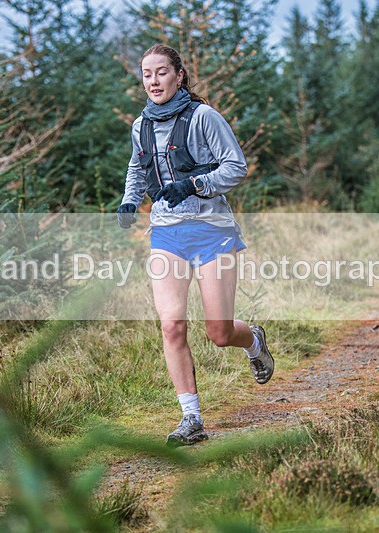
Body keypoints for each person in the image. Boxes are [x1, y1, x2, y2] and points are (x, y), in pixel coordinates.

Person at [116, 43, 274, 447]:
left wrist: (195, 184)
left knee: (219, 333)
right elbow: (138, 166)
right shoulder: (141, 126)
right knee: (171, 326)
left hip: (211, 231)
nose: (153, 81)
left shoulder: (204, 117)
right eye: (147, 74)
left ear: (179, 75)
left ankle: (253, 340)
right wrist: (129, 201)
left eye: (161, 72)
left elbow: (235, 166)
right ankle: (191, 419)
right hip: (167, 234)